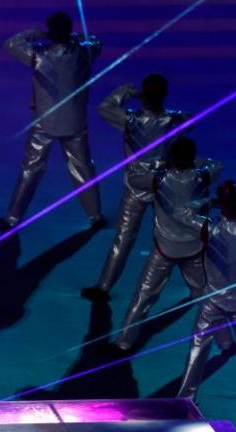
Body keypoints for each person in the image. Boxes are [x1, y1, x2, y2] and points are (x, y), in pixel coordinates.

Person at [0, 11, 105, 232]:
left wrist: (37, 33)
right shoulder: (84, 54)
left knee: (31, 170)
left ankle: (13, 218)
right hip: (75, 122)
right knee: (83, 168)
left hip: (44, 124)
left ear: (50, 30)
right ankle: (95, 215)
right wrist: (71, 36)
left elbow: (10, 43)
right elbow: (96, 41)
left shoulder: (38, 55)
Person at [82, 74, 189, 302]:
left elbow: (104, 108)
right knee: (175, 235)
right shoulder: (174, 120)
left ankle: (104, 287)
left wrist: (124, 91)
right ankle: (199, 284)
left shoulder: (131, 120)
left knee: (124, 238)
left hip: (137, 185)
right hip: (164, 185)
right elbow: (192, 120)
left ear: (143, 96)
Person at [114, 137, 221, 351]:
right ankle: (224, 338)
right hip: (194, 246)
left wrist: (158, 163)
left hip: (166, 248)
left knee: (144, 295)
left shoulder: (158, 179)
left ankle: (124, 343)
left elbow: (133, 178)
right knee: (204, 293)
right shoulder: (203, 177)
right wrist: (193, 162)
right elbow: (216, 164)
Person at [176, 181, 236, 401]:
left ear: (221, 203)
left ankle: (185, 398)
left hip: (214, 302)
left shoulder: (210, 228)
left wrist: (209, 202)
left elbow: (183, 212)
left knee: (198, 350)